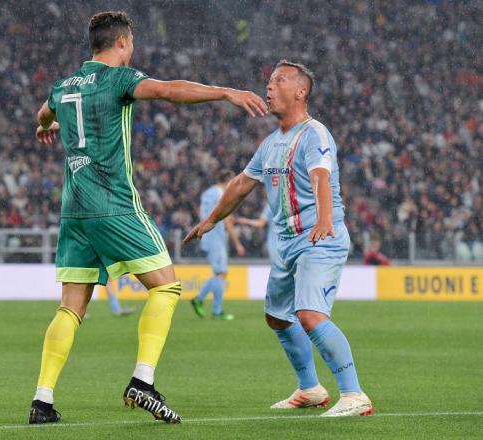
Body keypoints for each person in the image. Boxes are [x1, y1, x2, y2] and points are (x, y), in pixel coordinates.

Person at [30, 11, 267, 424]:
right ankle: (142, 381)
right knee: (167, 286)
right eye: (132, 42)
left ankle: (42, 401)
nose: (133, 48)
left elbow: (43, 114)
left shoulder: (64, 85)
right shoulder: (119, 79)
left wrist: (43, 127)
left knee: (70, 308)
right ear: (121, 43)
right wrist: (225, 92)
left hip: (74, 211)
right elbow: (169, 90)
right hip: (114, 204)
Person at [184, 60, 373, 417]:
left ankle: (354, 395)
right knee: (277, 317)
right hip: (287, 243)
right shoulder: (271, 143)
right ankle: (310, 389)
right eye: (269, 81)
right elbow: (240, 185)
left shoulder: (315, 133)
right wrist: (210, 220)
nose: (269, 87)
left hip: (320, 237)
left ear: (300, 91)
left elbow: (321, 176)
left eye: (279, 80)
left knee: (310, 314)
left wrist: (324, 219)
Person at [190, 169, 245, 321]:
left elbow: (201, 212)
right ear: (227, 180)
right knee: (221, 274)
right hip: (216, 237)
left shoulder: (207, 193)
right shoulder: (222, 194)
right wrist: (237, 243)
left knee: (218, 273)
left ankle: (199, 299)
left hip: (207, 237)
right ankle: (217, 311)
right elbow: (226, 220)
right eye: (232, 181)